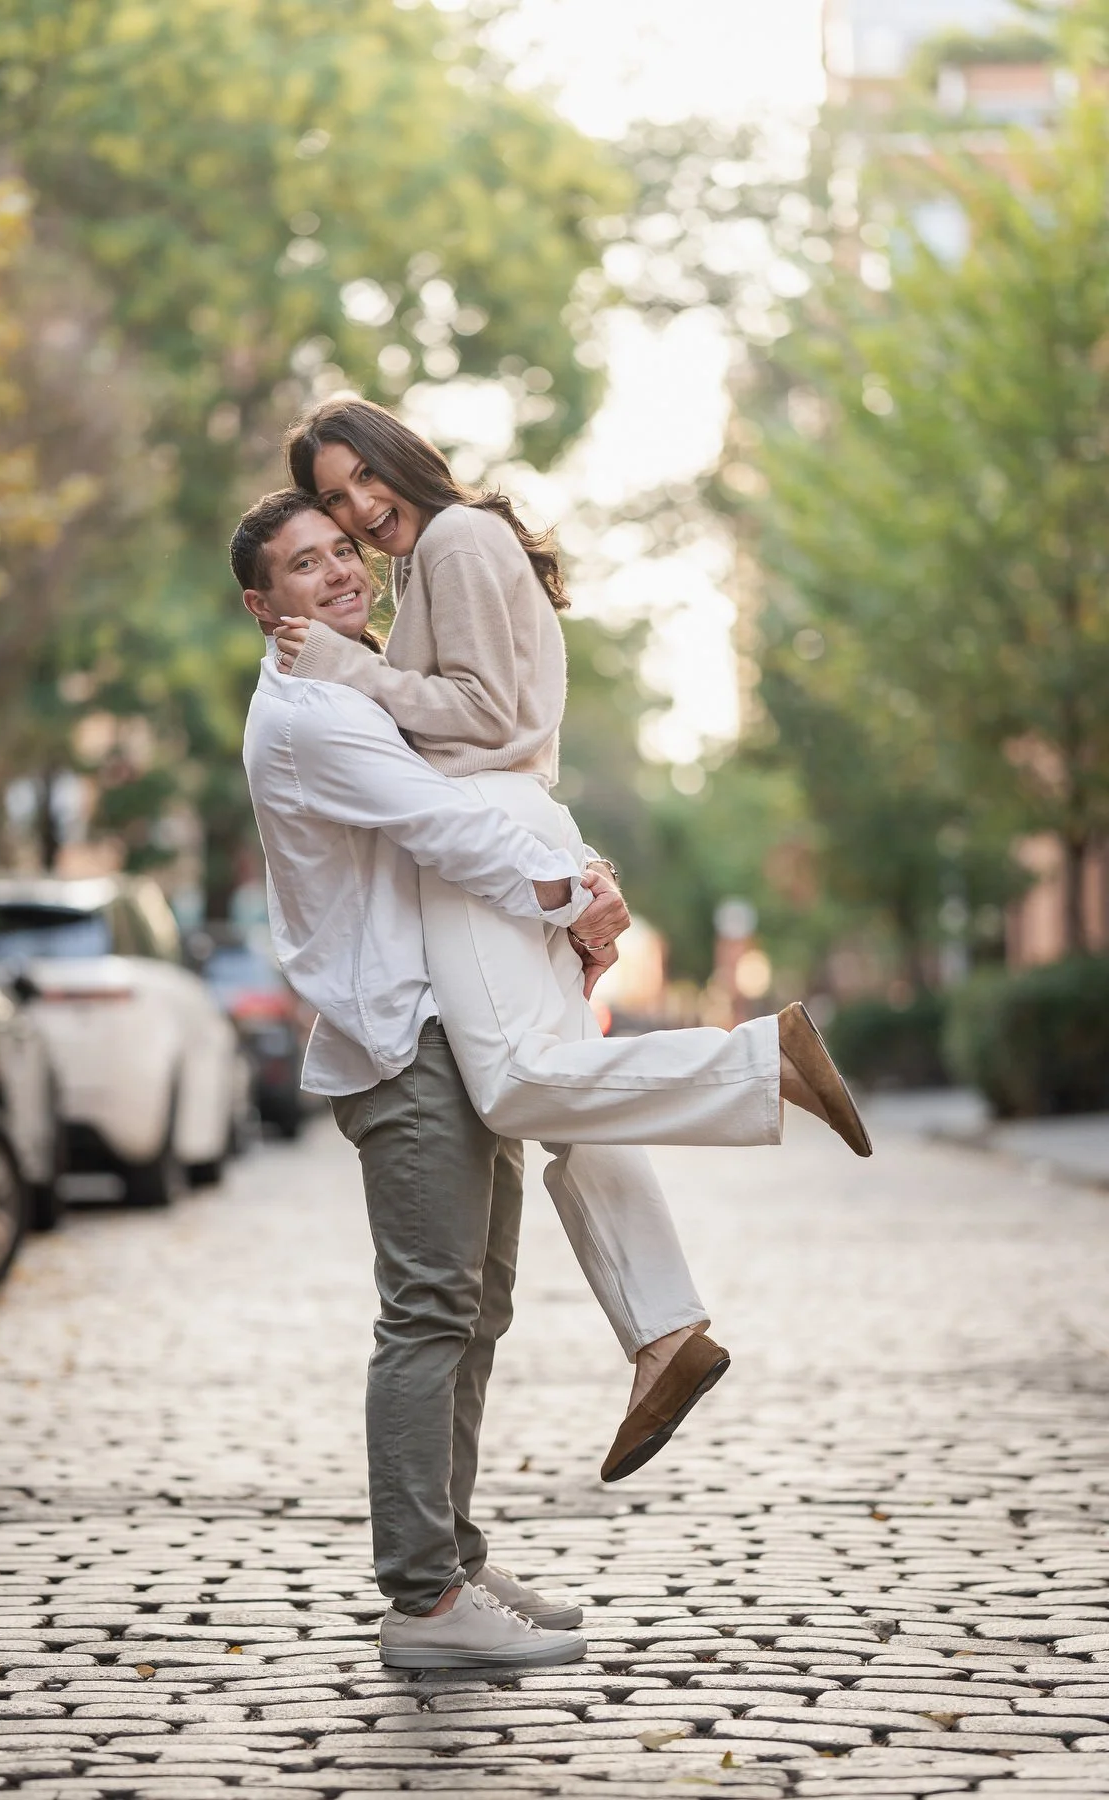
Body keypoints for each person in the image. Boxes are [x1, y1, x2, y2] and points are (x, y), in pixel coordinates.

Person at [275, 396, 871, 1474]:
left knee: (514, 1085)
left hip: (487, 840)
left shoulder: (454, 538)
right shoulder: (455, 549)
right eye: (332, 500)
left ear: (406, 457)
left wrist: (344, 667)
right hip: (518, 830)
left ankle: (757, 1058)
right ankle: (665, 1334)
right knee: (570, 1095)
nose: (360, 509)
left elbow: (488, 716)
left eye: (364, 478)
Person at [236, 490, 705, 1669]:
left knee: (476, 1309)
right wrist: (574, 889)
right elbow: (448, 827)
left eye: (344, 550)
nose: (340, 570)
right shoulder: (311, 714)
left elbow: (478, 789)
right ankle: (424, 1602)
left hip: (449, 1025)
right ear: (263, 604)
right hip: (398, 1042)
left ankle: (453, 1554)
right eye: (305, 564)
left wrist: (574, 873)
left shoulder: (355, 683)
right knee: (430, 1313)